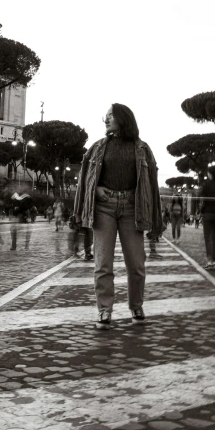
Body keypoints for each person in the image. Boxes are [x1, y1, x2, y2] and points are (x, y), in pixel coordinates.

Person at [73, 103, 163, 330]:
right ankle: (104, 311)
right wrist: (95, 191)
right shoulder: (96, 148)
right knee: (103, 264)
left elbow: (152, 184)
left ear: (123, 118)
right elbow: (85, 180)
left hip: (133, 208)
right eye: (106, 115)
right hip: (104, 208)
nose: (106, 119)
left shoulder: (142, 149)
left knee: (136, 264)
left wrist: (156, 221)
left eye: (111, 115)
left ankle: (136, 307)